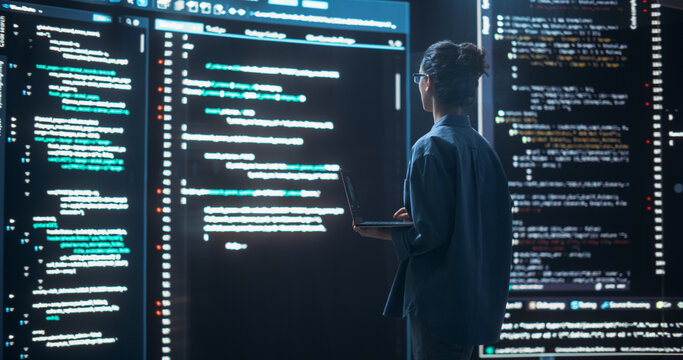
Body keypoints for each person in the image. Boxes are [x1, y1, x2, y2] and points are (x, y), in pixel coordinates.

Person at [353, 40, 512, 360]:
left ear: (429, 82)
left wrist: (383, 231)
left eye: (419, 78)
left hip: (439, 306)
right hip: (474, 306)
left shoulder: (429, 147)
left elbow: (429, 235)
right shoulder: (484, 150)